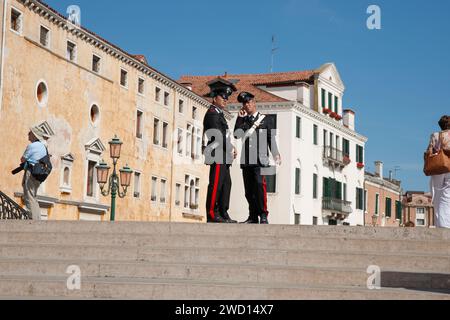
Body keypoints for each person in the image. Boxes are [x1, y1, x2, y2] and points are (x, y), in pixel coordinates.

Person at [234, 92, 281, 224]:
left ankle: (263, 214)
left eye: (249, 102)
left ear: (254, 103)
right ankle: (253, 216)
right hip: (247, 161)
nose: (247, 105)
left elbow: (270, 138)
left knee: (260, 187)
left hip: (260, 160)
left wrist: (276, 153)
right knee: (248, 190)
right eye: (244, 104)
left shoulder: (266, 120)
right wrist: (239, 118)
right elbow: (237, 135)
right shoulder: (243, 121)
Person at [203, 78, 238, 223]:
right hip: (218, 154)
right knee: (216, 184)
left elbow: (225, 135)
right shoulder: (212, 114)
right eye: (222, 97)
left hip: (224, 155)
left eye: (226, 98)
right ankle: (212, 213)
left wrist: (232, 147)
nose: (225, 100)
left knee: (226, 185)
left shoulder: (219, 114)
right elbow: (217, 136)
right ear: (214, 98)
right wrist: (230, 147)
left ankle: (223, 212)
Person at [21, 126, 49, 220]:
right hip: (39, 174)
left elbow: (22, 159)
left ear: (34, 135)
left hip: (31, 172)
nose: (28, 134)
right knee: (34, 197)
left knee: (29, 196)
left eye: (30, 133)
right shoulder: (43, 146)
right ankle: (37, 219)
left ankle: (32, 220)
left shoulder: (32, 146)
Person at [428, 115, 450, 228]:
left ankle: (440, 224)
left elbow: (429, 151)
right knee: (447, 195)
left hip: (438, 168)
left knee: (437, 195)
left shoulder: (435, 135)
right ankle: (447, 224)